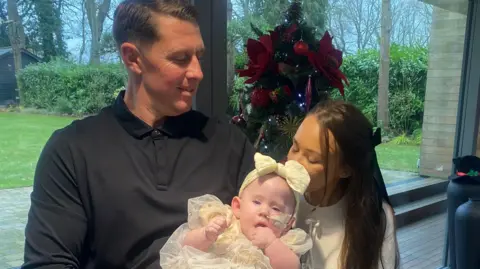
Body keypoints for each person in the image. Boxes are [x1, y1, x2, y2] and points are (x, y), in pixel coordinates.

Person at [21, 1, 255, 268]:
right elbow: (48, 263)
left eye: (198, 57)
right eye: (180, 58)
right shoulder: (72, 151)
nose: (198, 72)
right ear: (133, 58)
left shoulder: (228, 143)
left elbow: (267, 232)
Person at [287, 100, 400, 269]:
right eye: (294, 148)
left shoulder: (376, 217)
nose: (295, 162)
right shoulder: (279, 199)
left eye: (312, 159)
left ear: (345, 169)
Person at [159, 153, 313, 269]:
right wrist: (206, 234)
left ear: (289, 224)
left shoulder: (285, 242)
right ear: (238, 207)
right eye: (257, 202)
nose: (264, 211)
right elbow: (185, 246)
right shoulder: (225, 223)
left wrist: (271, 244)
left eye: (276, 208)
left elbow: (291, 267)